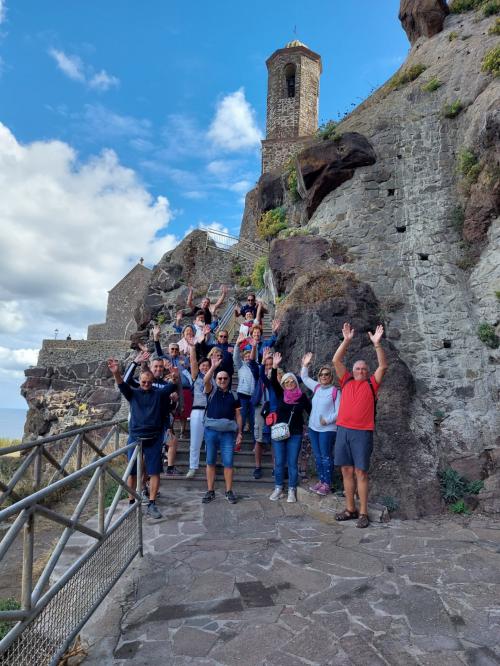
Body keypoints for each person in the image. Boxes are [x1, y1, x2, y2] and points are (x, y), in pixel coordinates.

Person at [332, 322, 388, 529]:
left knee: (361, 472)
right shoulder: (345, 381)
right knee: (346, 471)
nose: (361, 370)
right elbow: (336, 360)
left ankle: (363, 512)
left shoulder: (372, 385)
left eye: (364, 368)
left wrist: (377, 345)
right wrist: (346, 340)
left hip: (362, 433)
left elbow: (382, 366)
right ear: (353, 370)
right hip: (343, 431)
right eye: (358, 368)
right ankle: (350, 509)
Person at [107, 358, 175, 519]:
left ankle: (152, 503)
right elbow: (122, 384)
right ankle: (131, 503)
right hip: (135, 438)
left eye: (149, 382)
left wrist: (175, 376)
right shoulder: (133, 393)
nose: (146, 384)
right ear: (140, 382)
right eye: (143, 382)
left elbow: (172, 386)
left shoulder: (159, 394)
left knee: (154, 472)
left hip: (153, 438)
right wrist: (116, 373)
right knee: (132, 473)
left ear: (152, 382)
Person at [269, 352, 311, 503]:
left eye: (292, 382)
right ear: (283, 385)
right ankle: (279, 487)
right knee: (279, 462)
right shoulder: (281, 394)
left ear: (296, 382)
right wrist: (274, 366)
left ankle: (292, 489)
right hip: (280, 433)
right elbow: (273, 381)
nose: (289, 384)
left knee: (292, 462)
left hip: (295, 433)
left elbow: (311, 411)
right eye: (286, 382)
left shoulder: (302, 397)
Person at [202, 357, 243, 505]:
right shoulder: (211, 390)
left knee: (228, 463)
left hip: (228, 433)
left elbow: (238, 415)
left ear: (229, 379)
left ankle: (228, 490)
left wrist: (239, 432)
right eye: (219, 378)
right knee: (210, 461)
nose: (222, 380)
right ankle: (210, 490)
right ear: (216, 379)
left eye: (225, 378)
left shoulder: (234, 395)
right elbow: (205, 381)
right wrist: (213, 368)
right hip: (211, 431)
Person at [300, 353, 341, 496]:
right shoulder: (316, 387)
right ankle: (321, 481)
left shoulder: (335, 391)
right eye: (321, 374)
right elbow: (304, 378)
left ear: (331, 377)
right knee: (318, 456)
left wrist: (328, 420)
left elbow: (340, 411)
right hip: (313, 429)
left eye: (327, 374)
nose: (324, 376)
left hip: (327, 429)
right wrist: (305, 365)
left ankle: (327, 484)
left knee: (326, 456)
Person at [185, 341, 213, 478]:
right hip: (197, 410)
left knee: (210, 441)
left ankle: (210, 465)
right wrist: (192, 348)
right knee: (195, 441)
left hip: (210, 411)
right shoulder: (196, 376)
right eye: (203, 365)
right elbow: (193, 362)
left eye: (207, 366)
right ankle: (193, 466)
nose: (204, 367)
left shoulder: (215, 378)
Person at [250, 346, 274, 479]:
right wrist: (262, 359)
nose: (268, 367)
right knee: (259, 438)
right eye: (267, 365)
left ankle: (276, 467)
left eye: (271, 365)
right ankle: (258, 467)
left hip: (273, 409)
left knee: (274, 439)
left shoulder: (278, 376)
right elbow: (252, 363)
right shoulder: (259, 375)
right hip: (260, 407)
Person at [233, 333, 257, 447]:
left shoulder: (256, 366)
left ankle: (255, 442)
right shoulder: (241, 366)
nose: (247, 357)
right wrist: (237, 344)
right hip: (242, 394)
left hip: (253, 396)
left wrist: (253, 347)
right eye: (246, 356)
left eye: (249, 356)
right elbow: (235, 357)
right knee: (241, 418)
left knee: (253, 419)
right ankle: (239, 438)